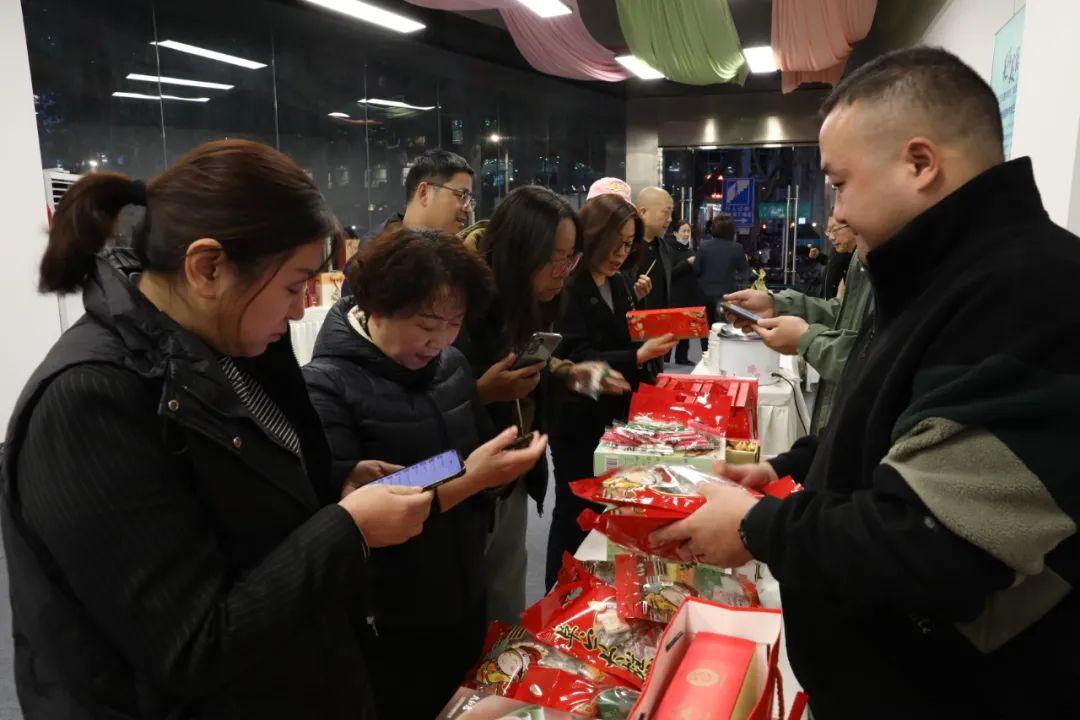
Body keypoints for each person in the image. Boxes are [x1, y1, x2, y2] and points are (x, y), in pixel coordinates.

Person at [653, 47, 1080, 717]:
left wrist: (762, 528)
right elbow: (891, 423)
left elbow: (937, 542)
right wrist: (793, 464)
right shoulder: (940, 274)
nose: (838, 209)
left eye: (842, 182)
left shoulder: (1027, 291)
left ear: (920, 163)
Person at [1, 139, 435, 719]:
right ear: (208, 268)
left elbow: (231, 492)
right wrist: (346, 528)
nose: (301, 310)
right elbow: (190, 645)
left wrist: (334, 483)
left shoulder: (226, 345)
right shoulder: (88, 400)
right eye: (293, 285)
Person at [303, 228, 547, 720]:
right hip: (389, 617)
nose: (440, 340)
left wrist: (498, 472)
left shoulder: (452, 365)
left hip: (462, 587)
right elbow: (355, 513)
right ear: (376, 306)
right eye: (427, 323)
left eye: (455, 323)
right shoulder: (325, 387)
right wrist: (472, 477)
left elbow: (460, 457)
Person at [456, 185, 629, 623]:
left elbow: (530, 358)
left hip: (511, 472)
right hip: (456, 481)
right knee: (461, 612)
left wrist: (567, 373)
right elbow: (420, 406)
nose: (563, 271)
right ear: (519, 252)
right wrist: (481, 394)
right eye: (555, 258)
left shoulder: (530, 296)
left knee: (505, 602)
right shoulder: (458, 299)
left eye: (570, 258)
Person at [547, 194, 678, 587]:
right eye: (614, 243)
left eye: (627, 244)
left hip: (615, 416)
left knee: (609, 507)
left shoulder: (619, 282)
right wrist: (637, 355)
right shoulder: (568, 284)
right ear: (592, 236)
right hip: (577, 417)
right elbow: (575, 356)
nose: (620, 253)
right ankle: (559, 590)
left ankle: (595, 589)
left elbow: (624, 333)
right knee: (574, 510)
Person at [723, 214, 874, 434]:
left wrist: (806, 339)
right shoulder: (862, 256)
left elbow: (880, 361)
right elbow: (846, 314)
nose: (841, 211)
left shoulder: (911, 262)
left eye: (842, 190)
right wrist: (776, 304)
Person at [360, 148, 475, 245]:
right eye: (461, 195)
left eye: (469, 199)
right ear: (424, 193)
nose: (468, 208)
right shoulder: (376, 251)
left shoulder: (457, 251)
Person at [695, 214, 751, 331]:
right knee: (725, 328)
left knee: (706, 327)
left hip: (704, 294)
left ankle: (706, 343)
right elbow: (745, 272)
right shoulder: (737, 248)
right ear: (732, 230)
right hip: (727, 295)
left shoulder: (704, 246)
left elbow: (696, 270)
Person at [822, 217, 857, 298]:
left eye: (835, 230)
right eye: (829, 231)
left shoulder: (862, 263)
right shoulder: (837, 250)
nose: (831, 237)